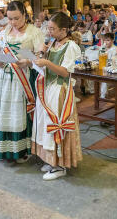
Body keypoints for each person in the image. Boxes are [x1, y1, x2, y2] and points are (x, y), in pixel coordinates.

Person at [0, 1, 45, 162]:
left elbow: (41, 56)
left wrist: (29, 62)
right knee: (3, 111)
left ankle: (22, 149)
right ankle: (3, 147)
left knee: (19, 113)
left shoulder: (34, 32)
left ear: (25, 15)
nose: (13, 22)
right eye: (10, 19)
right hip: (3, 77)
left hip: (23, 78)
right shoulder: (5, 31)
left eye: (16, 18)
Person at [32, 12, 82, 180]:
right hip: (48, 87)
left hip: (60, 89)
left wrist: (46, 62)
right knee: (46, 123)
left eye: (53, 29)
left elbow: (64, 72)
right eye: (49, 28)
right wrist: (40, 55)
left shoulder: (71, 46)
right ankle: (51, 160)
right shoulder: (54, 42)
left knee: (56, 123)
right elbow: (46, 61)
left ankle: (60, 165)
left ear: (64, 30)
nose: (49, 32)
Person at [98, 33, 117, 99]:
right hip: (102, 65)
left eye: (108, 40)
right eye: (105, 40)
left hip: (111, 66)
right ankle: (92, 90)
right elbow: (99, 55)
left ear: (112, 40)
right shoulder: (103, 47)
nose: (106, 42)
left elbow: (112, 60)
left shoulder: (114, 48)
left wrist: (106, 52)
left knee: (104, 75)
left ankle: (102, 95)